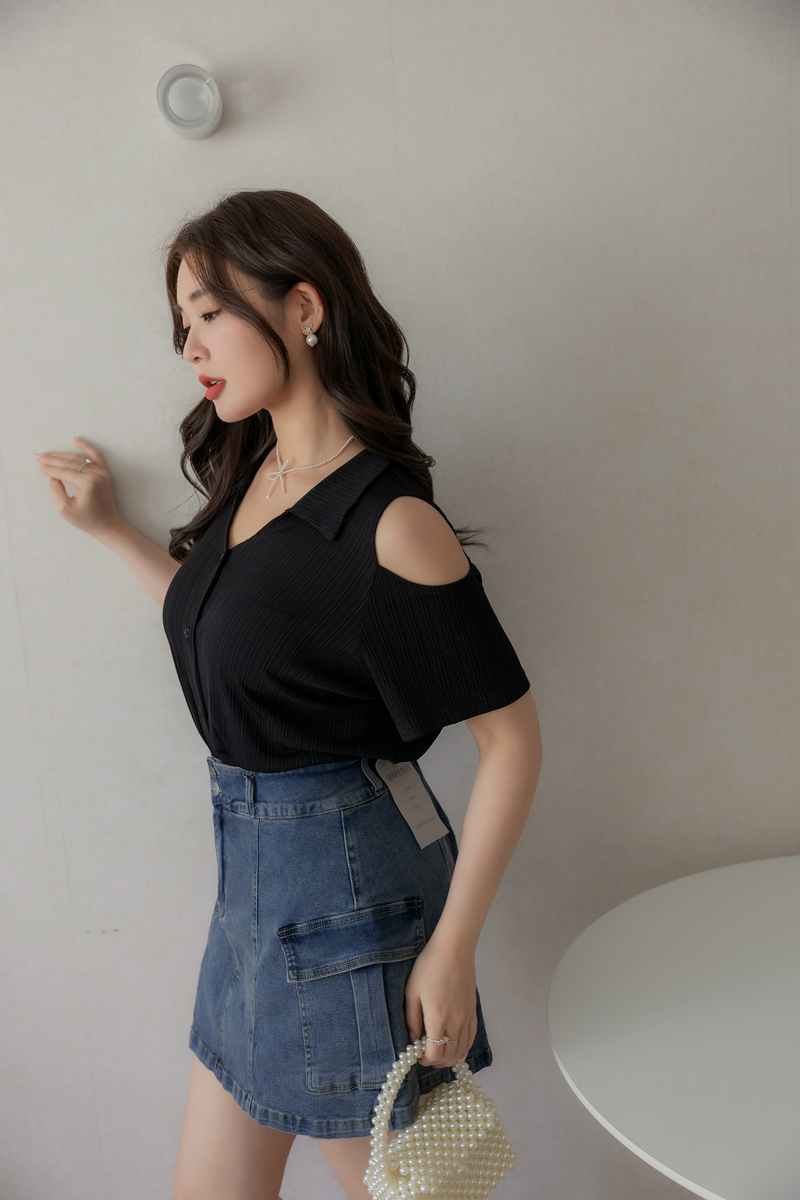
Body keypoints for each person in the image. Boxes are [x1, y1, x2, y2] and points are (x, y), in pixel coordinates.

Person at [34, 189, 543, 1200]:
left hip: (350, 902)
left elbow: (513, 740)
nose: (190, 344)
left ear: (303, 307)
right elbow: (227, 629)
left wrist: (453, 949)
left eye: (209, 311)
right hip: (249, 903)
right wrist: (112, 532)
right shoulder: (258, 471)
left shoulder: (390, 523)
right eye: (181, 322)